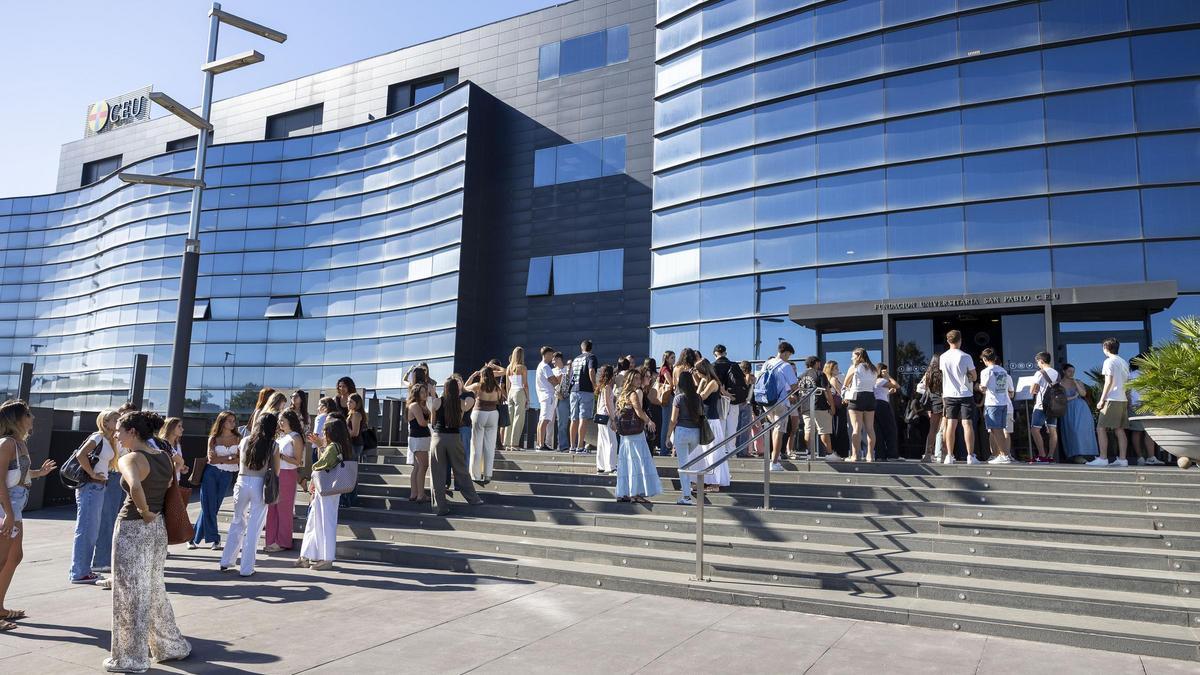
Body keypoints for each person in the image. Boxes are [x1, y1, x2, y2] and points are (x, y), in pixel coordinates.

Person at [105, 410, 190, 671]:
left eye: (119, 429)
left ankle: (130, 659)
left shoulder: (131, 458)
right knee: (153, 588)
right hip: (157, 530)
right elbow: (166, 486)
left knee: (128, 592)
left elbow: (135, 487)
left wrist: (144, 512)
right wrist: (152, 513)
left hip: (134, 527)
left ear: (133, 432)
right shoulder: (163, 456)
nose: (116, 434)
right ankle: (170, 645)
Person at [0, 400, 56, 631]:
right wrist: (9, 514)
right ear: (18, 418)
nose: (32, 418)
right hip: (5, 508)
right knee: (2, 559)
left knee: (15, 556)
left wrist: (38, 473)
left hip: (15, 507)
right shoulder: (6, 443)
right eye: (29, 414)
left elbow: (17, 474)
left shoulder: (19, 443)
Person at [219, 413, 279, 577]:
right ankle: (246, 568)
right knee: (254, 527)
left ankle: (226, 560)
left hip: (242, 481)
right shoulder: (273, 445)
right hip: (259, 484)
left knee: (237, 521)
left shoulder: (244, 441)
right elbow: (277, 470)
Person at [69, 410, 119, 584]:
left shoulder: (109, 439)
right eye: (115, 419)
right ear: (105, 422)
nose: (118, 421)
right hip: (90, 486)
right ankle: (79, 572)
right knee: (86, 529)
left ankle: (83, 570)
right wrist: (92, 474)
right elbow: (80, 454)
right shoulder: (97, 437)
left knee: (91, 529)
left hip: (97, 487)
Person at [299, 418, 352, 570]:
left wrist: (320, 449)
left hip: (327, 489)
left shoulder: (333, 446)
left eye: (325, 431)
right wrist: (321, 446)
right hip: (327, 488)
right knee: (318, 521)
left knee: (324, 522)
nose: (322, 433)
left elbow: (321, 464)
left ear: (331, 432)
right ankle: (311, 555)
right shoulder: (336, 446)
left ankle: (327, 558)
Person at [428, 378, 484, 516]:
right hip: (454, 437)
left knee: (437, 474)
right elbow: (461, 418)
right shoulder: (460, 403)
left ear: (445, 388)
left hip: (438, 438)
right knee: (461, 469)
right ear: (456, 389)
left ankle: (440, 507)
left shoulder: (437, 402)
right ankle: (473, 499)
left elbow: (433, 421)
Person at [189, 411, 239, 550]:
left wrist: (223, 459)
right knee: (208, 504)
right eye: (229, 420)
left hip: (227, 475)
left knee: (213, 506)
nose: (232, 423)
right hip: (210, 473)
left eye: (233, 421)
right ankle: (215, 539)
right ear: (222, 422)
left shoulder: (238, 438)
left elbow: (240, 459)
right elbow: (211, 459)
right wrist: (230, 458)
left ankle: (192, 538)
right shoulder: (213, 438)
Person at [93, 405, 133, 574]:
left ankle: (108, 558)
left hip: (119, 477)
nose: (120, 421)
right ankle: (101, 560)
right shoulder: (105, 437)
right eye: (118, 418)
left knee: (116, 520)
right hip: (111, 477)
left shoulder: (116, 436)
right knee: (107, 520)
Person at [612, 373, 661, 505]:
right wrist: (649, 421)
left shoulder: (622, 394)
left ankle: (624, 492)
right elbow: (638, 411)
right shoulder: (633, 394)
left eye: (640, 378)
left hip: (625, 435)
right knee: (637, 462)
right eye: (637, 378)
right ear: (631, 380)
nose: (639, 381)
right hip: (635, 434)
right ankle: (635, 493)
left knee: (626, 463)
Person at [265, 410, 305, 553]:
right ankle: (270, 540)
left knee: (284, 509)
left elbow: (298, 461)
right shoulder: (281, 437)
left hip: (288, 474)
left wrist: (281, 456)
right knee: (272, 508)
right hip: (275, 473)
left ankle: (283, 542)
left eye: (283, 420)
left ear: (290, 421)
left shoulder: (295, 437)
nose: (280, 422)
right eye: (279, 420)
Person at [1089, 338, 1132, 467]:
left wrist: (1102, 400)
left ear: (1105, 348)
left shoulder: (1109, 361)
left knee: (1100, 428)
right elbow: (1128, 383)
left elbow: (1108, 382)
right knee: (1119, 429)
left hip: (1112, 399)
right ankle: (1123, 459)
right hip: (1122, 399)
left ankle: (1103, 458)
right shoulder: (1123, 362)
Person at [939, 331, 978, 465]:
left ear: (948, 341)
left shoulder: (943, 357)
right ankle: (970, 456)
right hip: (965, 393)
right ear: (960, 340)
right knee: (967, 424)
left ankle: (949, 455)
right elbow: (974, 376)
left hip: (949, 394)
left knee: (951, 424)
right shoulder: (965, 356)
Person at [759, 342, 800, 472]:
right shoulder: (785, 365)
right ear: (786, 352)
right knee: (779, 430)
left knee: (773, 428)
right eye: (789, 355)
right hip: (780, 402)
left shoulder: (767, 363)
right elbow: (794, 386)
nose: (788, 358)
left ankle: (772, 458)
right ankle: (774, 462)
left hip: (766, 401)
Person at [666, 372, 704, 506]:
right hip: (695, 433)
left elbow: (673, 420)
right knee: (687, 462)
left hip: (682, 432)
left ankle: (686, 496)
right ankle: (687, 487)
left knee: (683, 465)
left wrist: (667, 436)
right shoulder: (698, 397)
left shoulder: (678, 398)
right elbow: (700, 415)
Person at [695, 359, 731, 491]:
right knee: (702, 452)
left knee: (713, 452)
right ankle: (704, 480)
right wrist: (701, 383)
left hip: (711, 421)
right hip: (704, 420)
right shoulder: (705, 382)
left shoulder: (713, 383)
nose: (696, 373)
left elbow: (701, 397)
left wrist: (702, 383)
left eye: (697, 370)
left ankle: (715, 482)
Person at [466, 366, 502, 483]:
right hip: (493, 414)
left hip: (479, 414)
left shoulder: (478, 386)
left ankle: (475, 475)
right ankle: (487, 474)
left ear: (482, 375)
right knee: (489, 447)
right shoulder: (498, 388)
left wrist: (472, 376)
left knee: (476, 446)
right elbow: (500, 399)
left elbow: (464, 388)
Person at [843, 348, 879, 463]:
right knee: (870, 428)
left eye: (853, 356)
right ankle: (870, 455)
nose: (851, 358)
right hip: (870, 396)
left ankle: (855, 455)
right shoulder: (873, 368)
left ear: (858, 356)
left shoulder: (855, 367)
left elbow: (845, 383)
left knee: (856, 428)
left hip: (857, 396)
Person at [1058, 364, 1100, 462]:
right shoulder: (1059, 384)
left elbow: (1083, 394)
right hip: (1068, 410)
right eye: (1069, 371)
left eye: (1073, 371)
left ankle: (1086, 455)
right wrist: (1073, 397)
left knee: (1083, 431)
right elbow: (1061, 399)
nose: (1072, 373)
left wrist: (1076, 383)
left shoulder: (1078, 381)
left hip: (1081, 409)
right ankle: (1075, 455)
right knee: (1073, 431)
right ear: (1064, 371)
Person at [979, 349, 1014, 464]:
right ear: (995, 358)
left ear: (984, 359)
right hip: (1003, 402)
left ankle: (1003, 455)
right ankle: (1004, 454)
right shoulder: (1003, 371)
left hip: (993, 403)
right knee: (1000, 429)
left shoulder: (986, 371)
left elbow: (983, 388)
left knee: (995, 430)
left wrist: (977, 387)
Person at [712, 345, 748, 452]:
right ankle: (732, 450)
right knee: (732, 427)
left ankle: (721, 451)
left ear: (715, 354)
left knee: (721, 427)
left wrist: (725, 393)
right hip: (734, 400)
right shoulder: (734, 365)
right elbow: (743, 382)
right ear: (725, 353)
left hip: (719, 400)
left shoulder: (713, 366)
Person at [1127, 366, 1164, 466]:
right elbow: (1128, 391)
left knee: (1141, 432)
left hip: (1143, 405)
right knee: (1144, 432)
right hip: (1139, 405)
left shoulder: (1148, 375)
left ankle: (1144, 458)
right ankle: (1146, 457)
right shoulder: (1132, 375)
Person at [568, 340, 599, 454]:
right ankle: (580, 446)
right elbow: (591, 371)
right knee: (583, 418)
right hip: (586, 390)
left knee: (573, 419)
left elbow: (571, 375)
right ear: (591, 348)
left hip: (573, 390)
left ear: (581, 348)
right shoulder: (591, 357)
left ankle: (572, 446)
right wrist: (595, 386)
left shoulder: (575, 359)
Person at [1029, 352, 1059, 463]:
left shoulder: (1040, 373)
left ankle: (1042, 455)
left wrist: (1035, 390)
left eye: (1038, 362)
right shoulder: (1057, 373)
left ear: (1041, 361)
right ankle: (1050, 456)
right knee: (1052, 430)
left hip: (1041, 405)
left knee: (1035, 429)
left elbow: (1032, 390)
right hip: (1054, 406)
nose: (1038, 364)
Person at [340, 392, 366, 507]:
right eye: (347, 401)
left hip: (354, 445)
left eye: (351, 401)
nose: (348, 403)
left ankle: (350, 499)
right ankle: (349, 498)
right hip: (352, 444)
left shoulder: (356, 414)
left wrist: (343, 430)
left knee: (351, 471)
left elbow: (354, 432)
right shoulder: (352, 413)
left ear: (357, 403)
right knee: (350, 471)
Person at [406, 385, 431, 502]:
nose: (425, 394)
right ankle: (421, 495)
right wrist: (431, 419)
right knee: (423, 466)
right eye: (422, 392)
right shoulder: (415, 405)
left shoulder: (423, 405)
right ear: (416, 393)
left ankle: (414, 494)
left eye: (425, 392)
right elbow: (422, 423)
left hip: (422, 438)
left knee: (417, 466)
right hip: (418, 438)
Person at [917, 356, 944, 462]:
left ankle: (928, 455)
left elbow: (920, 387)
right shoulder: (943, 373)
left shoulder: (928, 374)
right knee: (943, 429)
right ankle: (943, 454)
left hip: (933, 402)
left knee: (932, 429)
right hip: (943, 400)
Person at [534, 346, 561, 452]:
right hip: (548, 396)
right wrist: (559, 384)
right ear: (546, 354)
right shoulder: (545, 366)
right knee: (545, 420)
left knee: (542, 420)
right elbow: (552, 380)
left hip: (544, 396)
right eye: (550, 355)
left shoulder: (541, 366)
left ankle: (540, 443)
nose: (551, 357)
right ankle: (541, 444)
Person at [873, 364, 900, 461]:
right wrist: (889, 377)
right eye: (885, 371)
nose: (887, 372)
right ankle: (892, 455)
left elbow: (879, 393)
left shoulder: (874, 381)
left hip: (875, 405)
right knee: (890, 429)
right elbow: (897, 385)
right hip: (883, 405)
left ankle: (880, 455)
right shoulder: (882, 380)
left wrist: (888, 392)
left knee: (878, 431)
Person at [594, 365, 618, 475]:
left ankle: (601, 465)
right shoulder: (608, 387)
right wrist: (613, 419)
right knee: (612, 441)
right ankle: (611, 466)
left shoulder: (601, 387)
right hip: (607, 417)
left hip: (600, 416)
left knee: (602, 441)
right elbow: (608, 404)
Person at [553, 353, 571, 452]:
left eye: (554, 360)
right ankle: (562, 446)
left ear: (559, 359)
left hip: (570, 397)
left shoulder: (567, 369)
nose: (552, 362)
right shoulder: (552, 371)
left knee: (574, 422)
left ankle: (573, 445)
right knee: (562, 423)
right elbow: (552, 385)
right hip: (561, 399)